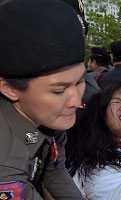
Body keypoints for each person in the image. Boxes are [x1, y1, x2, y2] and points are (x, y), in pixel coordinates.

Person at [0, 0, 86, 199]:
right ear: (9, 89)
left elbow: (54, 172)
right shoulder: (5, 159)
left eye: (80, 80)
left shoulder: (50, 118)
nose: (75, 101)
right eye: (58, 91)